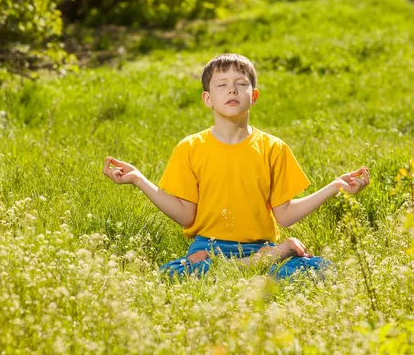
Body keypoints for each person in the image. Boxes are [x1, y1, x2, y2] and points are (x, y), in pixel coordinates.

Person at [103, 53, 370, 280]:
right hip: (209, 247)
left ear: (253, 96)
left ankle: (254, 263)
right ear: (207, 99)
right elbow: (186, 216)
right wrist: (139, 179)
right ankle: (263, 261)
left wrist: (335, 186)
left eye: (240, 84)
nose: (231, 90)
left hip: (258, 246)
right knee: (173, 275)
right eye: (221, 85)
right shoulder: (190, 147)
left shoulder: (273, 148)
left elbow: (285, 215)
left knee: (320, 271)